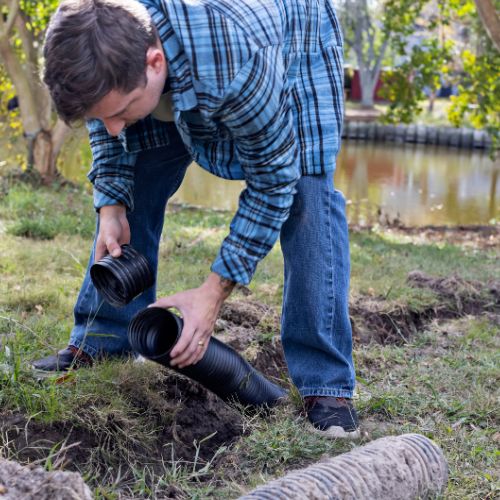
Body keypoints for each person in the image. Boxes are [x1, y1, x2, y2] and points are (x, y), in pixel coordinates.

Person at [35, 0, 359, 438]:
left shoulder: (238, 54)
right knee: (136, 173)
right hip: (180, 57)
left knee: (307, 196)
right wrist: (111, 205)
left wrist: (212, 293)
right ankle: (104, 342)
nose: (111, 128)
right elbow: (104, 111)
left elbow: (273, 181)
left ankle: (326, 385)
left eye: (121, 110)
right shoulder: (95, 26)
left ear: (153, 61)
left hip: (290, 40)